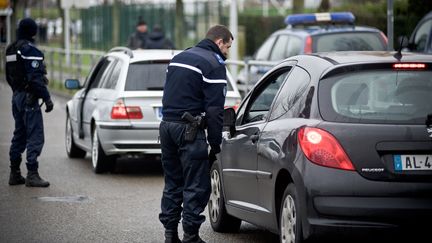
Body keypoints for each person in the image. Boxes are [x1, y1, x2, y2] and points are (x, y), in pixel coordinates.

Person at [159, 25, 233, 243]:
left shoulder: (179, 57)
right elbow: (214, 110)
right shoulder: (213, 64)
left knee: (173, 183)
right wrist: (215, 142)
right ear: (219, 42)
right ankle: (191, 237)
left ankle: (170, 235)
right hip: (189, 131)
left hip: (167, 128)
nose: (228, 52)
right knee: (196, 185)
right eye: (228, 46)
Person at [5, 18, 53, 187]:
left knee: (19, 134)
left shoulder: (10, 49)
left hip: (17, 96)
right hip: (29, 98)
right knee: (35, 135)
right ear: (32, 31)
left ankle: (14, 173)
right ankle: (32, 174)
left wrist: (17, 93)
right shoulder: (29, 50)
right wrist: (46, 98)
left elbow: (7, 77)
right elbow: (35, 79)